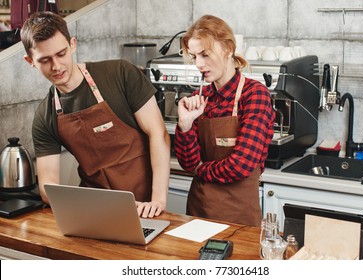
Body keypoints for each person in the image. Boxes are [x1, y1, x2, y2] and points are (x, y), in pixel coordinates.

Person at [20, 11, 170, 218]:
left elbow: (158, 133)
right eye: (45, 60)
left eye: (61, 54)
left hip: (147, 206)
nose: (56, 66)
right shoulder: (45, 117)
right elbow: (47, 186)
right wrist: (88, 206)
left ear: (72, 44)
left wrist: (158, 200)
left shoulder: (120, 74)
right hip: (95, 211)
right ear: (30, 62)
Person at [175, 15, 275, 227]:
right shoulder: (200, 99)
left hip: (239, 220)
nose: (199, 65)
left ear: (228, 49)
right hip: (198, 212)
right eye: (194, 57)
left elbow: (240, 166)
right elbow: (188, 163)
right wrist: (184, 125)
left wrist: (201, 170)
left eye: (205, 54)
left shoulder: (255, 95)